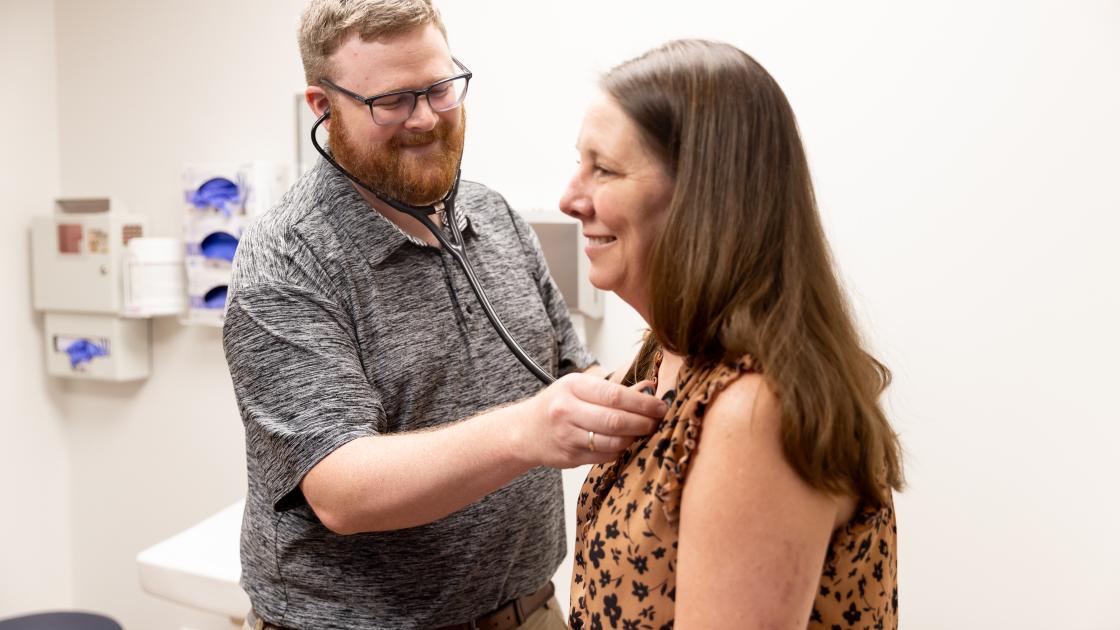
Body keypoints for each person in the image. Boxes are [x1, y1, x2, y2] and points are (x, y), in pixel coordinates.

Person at [222, 1, 666, 628]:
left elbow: (572, 374)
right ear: (323, 106)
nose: (426, 118)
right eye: (392, 101)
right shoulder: (288, 258)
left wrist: (680, 374)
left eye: (439, 88)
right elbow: (341, 492)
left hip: (529, 610)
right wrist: (527, 430)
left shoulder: (494, 217)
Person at [559, 39, 904, 629]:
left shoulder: (755, 413)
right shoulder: (668, 353)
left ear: (701, 196)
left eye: (605, 170)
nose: (569, 199)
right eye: (579, 164)